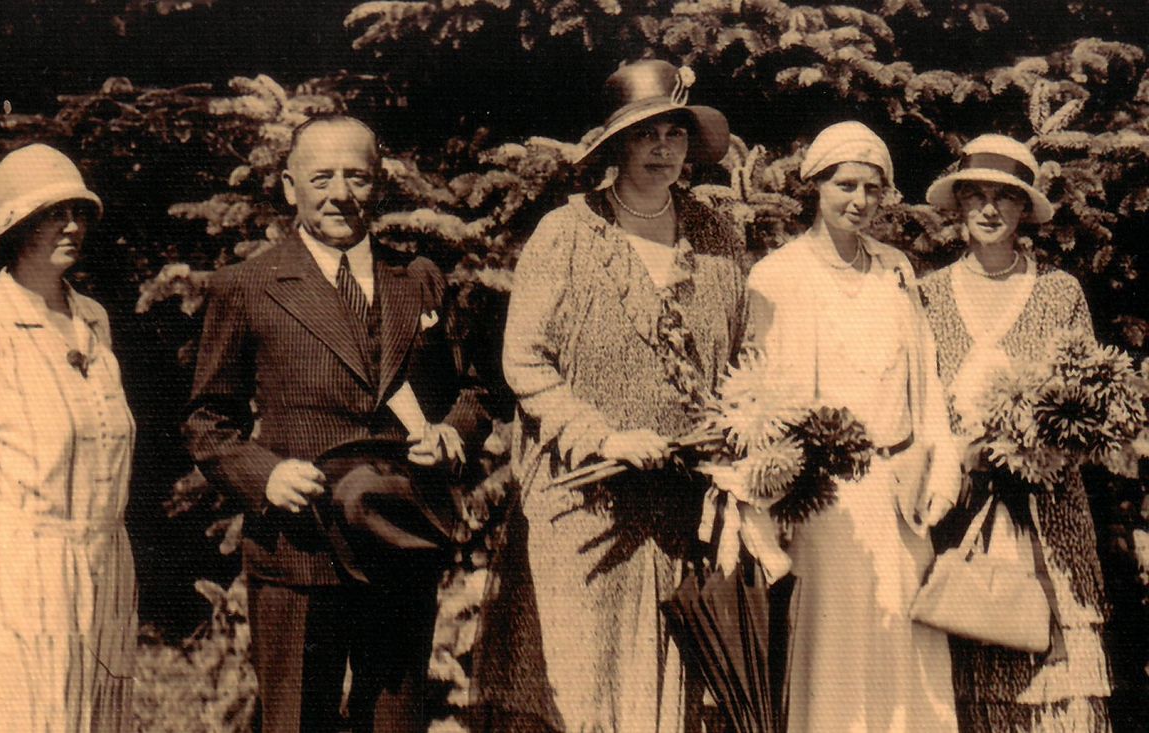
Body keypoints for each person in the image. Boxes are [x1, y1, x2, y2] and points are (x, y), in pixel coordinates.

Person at [183, 114, 486, 732]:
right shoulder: (246, 286)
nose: (340, 194)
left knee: (397, 722)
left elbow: (475, 391)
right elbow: (206, 422)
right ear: (290, 187)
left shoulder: (420, 279)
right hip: (299, 547)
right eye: (321, 178)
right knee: (296, 722)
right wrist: (265, 476)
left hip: (400, 541)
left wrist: (454, 431)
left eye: (357, 177)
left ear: (379, 185)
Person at [476, 59, 749, 732]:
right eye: (647, 135)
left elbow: (745, 359)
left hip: (681, 511)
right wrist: (603, 436)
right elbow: (525, 361)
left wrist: (736, 428)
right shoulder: (567, 235)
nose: (663, 149)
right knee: (583, 690)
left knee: (671, 692)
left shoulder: (717, 239)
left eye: (676, 134)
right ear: (617, 145)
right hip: (584, 507)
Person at [746, 122, 960, 732]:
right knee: (836, 652)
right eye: (846, 185)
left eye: (873, 188)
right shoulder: (778, 276)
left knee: (907, 656)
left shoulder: (896, 271)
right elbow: (760, 403)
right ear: (815, 185)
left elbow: (928, 384)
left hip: (902, 493)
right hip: (826, 503)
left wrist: (936, 464)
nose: (859, 201)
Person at [918, 134, 1112, 732]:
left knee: (1058, 687)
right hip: (963, 517)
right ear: (957, 206)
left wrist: (1038, 447)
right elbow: (916, 403)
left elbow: (1086, 405)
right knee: (973, 669)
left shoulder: (1060, 293)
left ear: (1025, 209)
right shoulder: (926, 296)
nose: (988, 210)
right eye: (975, 195)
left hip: (1049, 516)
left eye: (1005, 197)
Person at [0, 144, 138, 731]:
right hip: (17, 568)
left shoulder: (95, 322)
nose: (72, 226)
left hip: (104, 562)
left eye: (79, 213)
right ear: (17, 227)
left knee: (97, 718)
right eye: (54, 214)